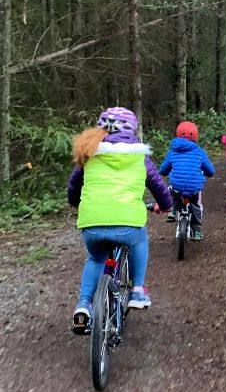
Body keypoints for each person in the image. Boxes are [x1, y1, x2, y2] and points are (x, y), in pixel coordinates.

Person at [67, 107, 172, 335]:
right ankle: (136, 290)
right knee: (139, 240)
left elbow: (73, 187)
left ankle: (84, 306)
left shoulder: (89, 154)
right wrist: (165, 206)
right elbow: (159, 187)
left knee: (96, 259)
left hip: (91, 223)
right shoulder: (139, 157)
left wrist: (77, 203)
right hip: (127, 224)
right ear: (132, 130)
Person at [159, 121, 215, 241]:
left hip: (177, 186)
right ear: (195, 135)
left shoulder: (173, 151)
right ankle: (197, 231)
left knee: (173, 192)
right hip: (194, 188)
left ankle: (172, 211)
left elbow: (163, 170)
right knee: (196, 206)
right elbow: (210, 171)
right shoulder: (199, 152)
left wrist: (166, 172)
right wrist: (207, 173)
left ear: (178, 134)